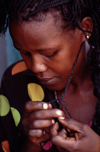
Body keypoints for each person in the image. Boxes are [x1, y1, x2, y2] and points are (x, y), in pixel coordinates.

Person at [0, 0, 100, 151]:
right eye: (24, 53)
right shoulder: (15, 83)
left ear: (85, 29)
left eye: (49, 54)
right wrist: (32, 144)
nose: (35, 67)